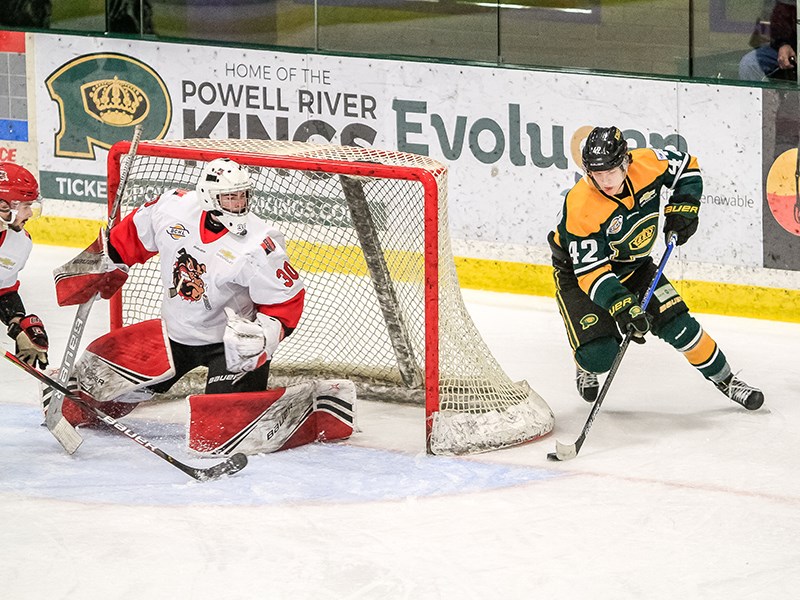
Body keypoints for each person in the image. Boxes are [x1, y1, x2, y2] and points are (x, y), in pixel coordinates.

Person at [49, 157, 307, 428]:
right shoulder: (174, 209)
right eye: (230, 197)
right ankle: (71, 395)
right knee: (89, 402)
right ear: (209, 198)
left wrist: (264, 336)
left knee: (219, 428)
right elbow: (133, 235)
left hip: (229, 346)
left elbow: (285, 300)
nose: (239, 204)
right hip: (173, 337)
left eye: (242, 196)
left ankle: (285, 408)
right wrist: (104, 259)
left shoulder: (259, 244)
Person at [547, 126, 764, 410]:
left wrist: (683, 207)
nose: (605, 181)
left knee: (679, 326)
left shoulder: (647, 164)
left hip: (635, 267)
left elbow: (687, 166)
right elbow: (592, 274)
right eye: (596, 174)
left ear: (625, 161)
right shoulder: (580, 205)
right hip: (580, 277)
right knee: (600, 355)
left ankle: (728, 380)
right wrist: (624, 306)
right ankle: (584, 363)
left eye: (611, 171)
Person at [0, 162, 49, 370]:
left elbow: (4, 289)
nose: (29, 214)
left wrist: (17, 322)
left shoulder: (19, 243)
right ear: (3, 206)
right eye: (25, 206)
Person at [739, 0, 797, 82]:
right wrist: (783, 44)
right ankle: (761, 94)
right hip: (789, 45)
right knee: (750, 64)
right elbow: (781, 15)